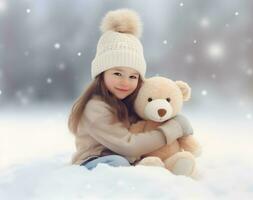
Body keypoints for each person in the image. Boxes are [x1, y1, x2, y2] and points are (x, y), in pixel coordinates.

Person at [68, 9, 193, 170]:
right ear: (101, 74)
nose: (125, 82)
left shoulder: (129, 101)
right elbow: (128, 145)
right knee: (119, 164)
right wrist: (173, 129)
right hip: (95, 161)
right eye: (118, 73)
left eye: (133, 76)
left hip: (126, 159)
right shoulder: (96, 107)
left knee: (137, 162)